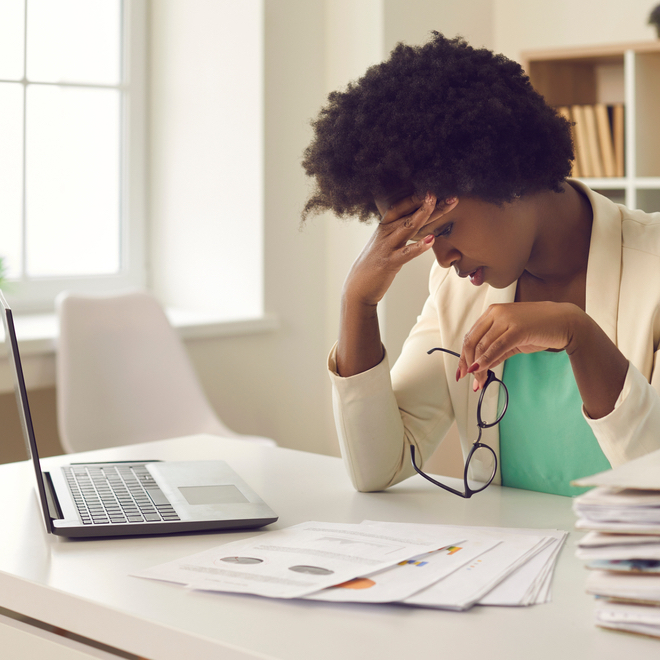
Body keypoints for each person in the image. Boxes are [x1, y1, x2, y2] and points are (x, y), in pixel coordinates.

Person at [301, 33, 660, 497]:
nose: (442, 258)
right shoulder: (460, 289)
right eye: (421, 238)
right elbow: (379, 468)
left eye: (444, 229)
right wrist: (358, 301)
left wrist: (579, 334)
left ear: (507, 174)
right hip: (512, 563)